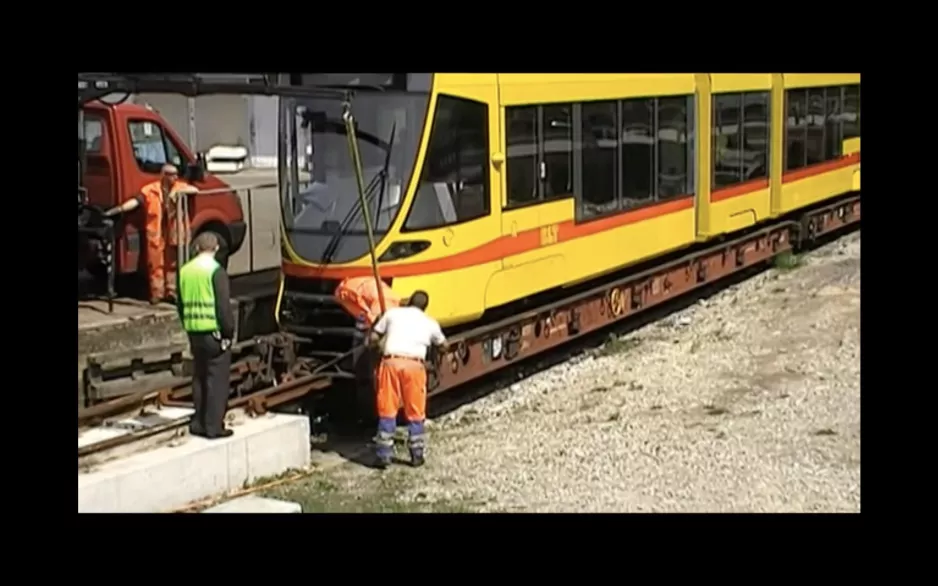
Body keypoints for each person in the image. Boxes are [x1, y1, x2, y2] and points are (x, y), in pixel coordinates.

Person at [368, 290, 447, 469]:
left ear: (409, 301)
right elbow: (443, 345)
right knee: (415, 411)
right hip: (414, 366)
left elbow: (374, 337)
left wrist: (374, 345)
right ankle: (416, 455)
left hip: (391, 363)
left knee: (387, 409)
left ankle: (383, 456)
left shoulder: (392, 314)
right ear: (425, 307)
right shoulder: (429, 322)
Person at [105, 164, 199, 304]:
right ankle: (157, 293)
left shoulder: (180, 186)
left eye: (175, 174)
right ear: (164, 175)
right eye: (171, 174)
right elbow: (135, 202)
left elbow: (194, 189)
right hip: (156, 233)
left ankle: (171, 292)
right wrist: (118, 210)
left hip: (173, 232)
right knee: (155, 265)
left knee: (172, 264)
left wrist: (177, 193)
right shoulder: (150, 190)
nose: (175, 177)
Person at [177, 232, 236, 439]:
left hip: (194, 332)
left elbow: (180, 304)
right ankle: (213, 426)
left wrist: (188, 325)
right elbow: (223, 308)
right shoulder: (216, 272)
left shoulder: (184, 271)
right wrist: (229, 332)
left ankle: (198, 422)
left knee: (199, 377)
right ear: (216, 248)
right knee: (216, 379)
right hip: (214, 333)